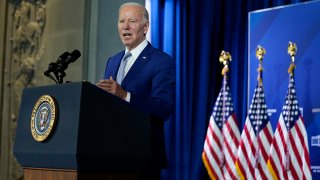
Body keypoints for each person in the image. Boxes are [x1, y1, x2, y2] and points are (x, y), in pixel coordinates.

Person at [96, 2, 175, 179]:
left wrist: (125, 95)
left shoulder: (161, 61)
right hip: (109, 154)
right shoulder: (113, 61)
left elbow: (163, 108)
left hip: (142, 157)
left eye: (132, 21)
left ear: (145, 27)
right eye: (121, 21)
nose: (125, 26)